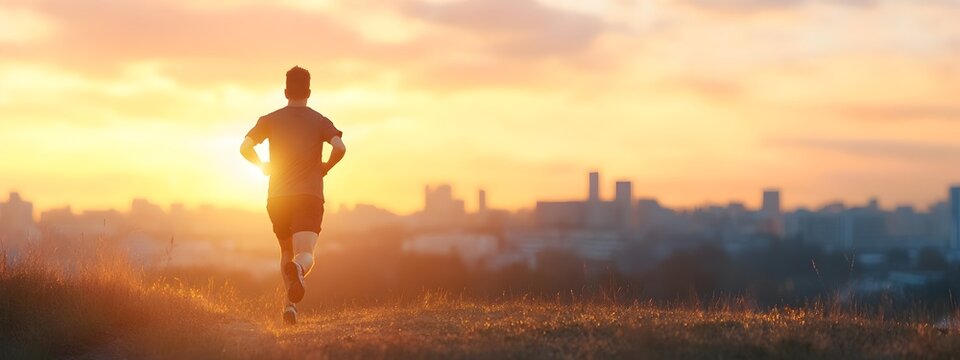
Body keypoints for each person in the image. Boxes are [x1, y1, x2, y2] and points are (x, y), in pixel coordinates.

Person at [239, 66, 346, 325]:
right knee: (304, 254)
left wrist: (261, 166)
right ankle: (299, 271)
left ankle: (290, 308)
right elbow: (340, 147)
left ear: (285, 91)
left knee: (286, 253)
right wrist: (325, 168)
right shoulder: (320, 120)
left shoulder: (270, 119)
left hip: (277, 198)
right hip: (308, 196)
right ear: (309, 92)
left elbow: (245, 147)